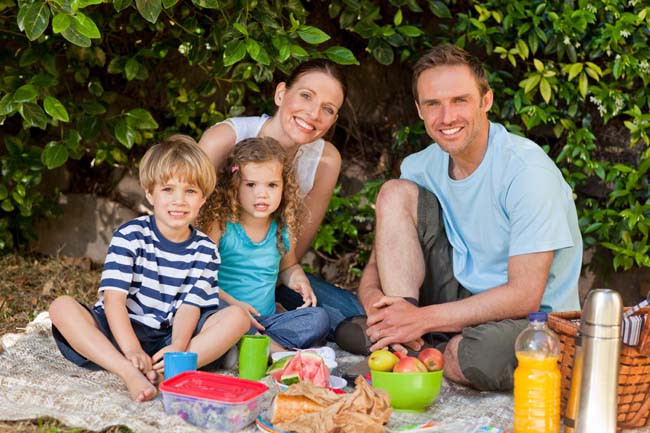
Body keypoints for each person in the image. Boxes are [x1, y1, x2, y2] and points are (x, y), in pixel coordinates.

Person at [347, 44, 582, 392]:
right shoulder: (421, 166)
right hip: (457, 299)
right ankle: (403, 344)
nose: (447, 117)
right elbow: (377, 262)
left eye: (460, 100)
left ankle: (421, 343)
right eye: (433, 104)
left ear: (485, 101)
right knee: (393, 192)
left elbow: (525, 295)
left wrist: (418, 320)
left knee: (471, 356)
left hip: (535, 321)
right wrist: (381, 311)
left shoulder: (526, 172)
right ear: (420, 110)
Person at [48, 135, 250, 402]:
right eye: (168, 190)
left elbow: (191, 306)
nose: (179, 200)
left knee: (238, 317)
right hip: (118, 331)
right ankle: (128, 372)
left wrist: (178, 347)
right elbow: (114, 300)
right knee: (61, 307)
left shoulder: (205, 248)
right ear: (149, 193)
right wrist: (131, 348)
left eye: (190, 191)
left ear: (203, 198)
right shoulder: (130, 235)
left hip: (170, 334)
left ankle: (173, 369)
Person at [198, 60, 364, 335]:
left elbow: (293, 249)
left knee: (355, 319)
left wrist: (272, 288)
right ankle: (251, 338)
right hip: (214, 282)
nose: (313, 114)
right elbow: (185, 235)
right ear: (281, 94)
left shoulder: (325, 160)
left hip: (270, 275)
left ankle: (261, 330)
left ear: (334, 120)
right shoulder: (225, 139)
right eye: (306, 96)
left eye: (328, 109)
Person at [197, 137, 329, 353]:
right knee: (213, 314)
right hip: (224, 315)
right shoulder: (220, 223)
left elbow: (288, 267)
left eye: (272, 185)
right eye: (251, 185)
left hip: (265, 320)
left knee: (318, 318)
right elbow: (200, 277)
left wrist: (298, 280)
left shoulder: (283, 227)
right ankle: (269, 349)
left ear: (284, 187)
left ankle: (248, 345)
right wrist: (236, 307)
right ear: (234, 185)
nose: (262, 193)